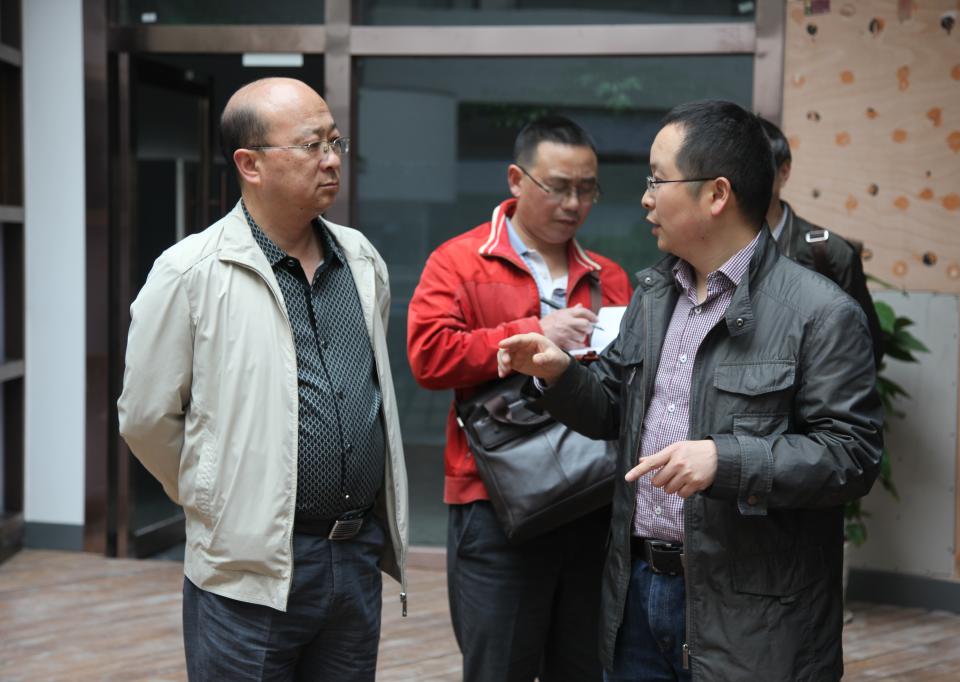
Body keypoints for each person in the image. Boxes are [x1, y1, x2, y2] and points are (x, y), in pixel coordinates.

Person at [497, 101, 883, 681]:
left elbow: (852, 457)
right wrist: (559, 374)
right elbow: (613, 409)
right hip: (637, 594)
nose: (645, 198)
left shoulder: (820, 313)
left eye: (658, 179)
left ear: (716, 194)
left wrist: (726, 460)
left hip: (752, 614)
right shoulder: (655, 296)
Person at [118, 77, 408, 681]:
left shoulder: (360, 259)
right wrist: (214, 497)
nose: (331, 160)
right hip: (248, 568)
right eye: (310, 145)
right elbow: (146, 418)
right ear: (250, 164)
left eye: (335, 142)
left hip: (354, 554)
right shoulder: (190, 272)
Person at [406, 116, 632, 681]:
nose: (573, 203)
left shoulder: (609, 276)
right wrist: (532, 332)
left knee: (584, 667)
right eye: (558, 187)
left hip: (591, 498)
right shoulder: (459, 261)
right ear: (516, 179)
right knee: (498, 667)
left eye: (587, 189)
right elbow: (428, 356)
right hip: (494, 502)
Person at [759, 116, 884, 367]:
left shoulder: (828, 252)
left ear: (784, 172)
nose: (745, 178)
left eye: (757, 167)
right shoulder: (714, 249)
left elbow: (867, 348)